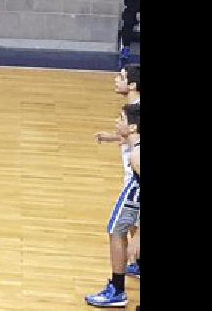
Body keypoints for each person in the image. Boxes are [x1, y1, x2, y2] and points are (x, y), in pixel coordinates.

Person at [85, 102, 140, 308]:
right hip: (135, 193)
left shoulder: (137, 156)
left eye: (121, 119)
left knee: (116, 231)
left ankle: (117, 290)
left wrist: (139, 236)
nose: (117, 122)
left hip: (135, 196)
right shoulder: (135, 145)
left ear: (133, 127)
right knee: (115, 230)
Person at [95, 64, 140, 278]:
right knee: (131, 221)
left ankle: (117, 286)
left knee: (121, 226)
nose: (115, 79)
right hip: (132, 173)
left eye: (121, 77)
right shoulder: (133, 109)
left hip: (136, 177)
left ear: (132, 85)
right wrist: (112, 137)